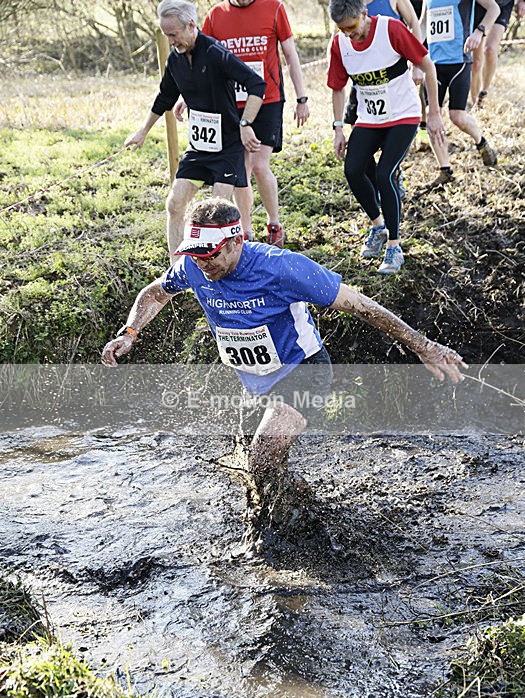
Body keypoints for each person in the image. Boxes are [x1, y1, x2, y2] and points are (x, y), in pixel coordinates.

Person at [101, 198, 466, 480]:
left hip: (302, 369)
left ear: (235, 241)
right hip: (256, 377)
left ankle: (272, 532)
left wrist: (423, 345)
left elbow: (360, 305)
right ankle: (300, 512)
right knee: (257, 467)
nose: (201, 265)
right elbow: (155, 293)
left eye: (209, 255)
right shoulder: (192, 266)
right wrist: (130, 332)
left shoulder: (281, 267)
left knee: (262, 453)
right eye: (194, 256)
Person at [124, 0, 266, 262]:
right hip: (199, 148)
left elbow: (256, 84)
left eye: (174, 35)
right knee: (174, 204)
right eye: (166, 35)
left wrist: (245, 124)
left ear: (191, 25)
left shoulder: (214, 52)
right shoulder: (175, 60)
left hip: (227, 147)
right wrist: (142, 131)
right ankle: (177, 271)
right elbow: (164, 96)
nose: (171, 41)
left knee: (215, 213)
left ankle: (222, 269)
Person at [328, 0, 446, 274]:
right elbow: (337, 89)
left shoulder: (390, 30)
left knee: (385, 175)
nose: (349, 34)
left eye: (353, 27)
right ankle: (377, 226)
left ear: (365, 14)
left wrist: (435, 113)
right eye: (342, 29)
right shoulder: (340, 44)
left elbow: (428, 67)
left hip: (403, 115)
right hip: (370, 118)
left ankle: (394, 246)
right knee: (353, 170)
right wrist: (337, 129)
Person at [202, 0, 310, 246]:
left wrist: (301, 97)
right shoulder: (215, 16)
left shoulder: (274, 8)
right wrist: (187, 98)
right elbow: (201, 60)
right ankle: (246, 230)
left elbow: (291, 54)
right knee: (242, 170)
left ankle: (274, 225)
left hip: (267, 99)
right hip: (233, 103)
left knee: (260, 165)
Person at [423, 0, 499, 182]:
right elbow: (423, 22)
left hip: (459, 60)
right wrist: (412, 49)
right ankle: (445, 170)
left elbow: (494, 8)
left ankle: (481, 141)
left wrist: (479, 32)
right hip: (433, 64)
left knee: (457, 116)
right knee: (432, 114)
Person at [470, 0, 525, 107]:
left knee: (489, 49)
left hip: (503, 4)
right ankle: (474, 105)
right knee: (476, 62)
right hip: (481, 4)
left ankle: (483, 92)